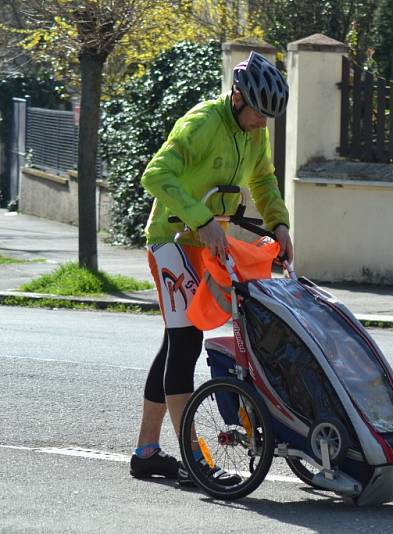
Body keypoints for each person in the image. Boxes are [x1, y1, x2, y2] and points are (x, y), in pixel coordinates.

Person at [129, 51, 292, 486]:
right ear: (237, 97)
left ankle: (146, 452)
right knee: (185, 343)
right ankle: (194, 459)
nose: (262, 124)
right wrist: (201, 219)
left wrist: (280, 224)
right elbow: (155, 175)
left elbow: (264, 179)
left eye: (269, 118)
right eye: (259, 114)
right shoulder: (201, 123)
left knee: (174, 345)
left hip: (205, 240)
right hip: (171, 238)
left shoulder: (252, 134)